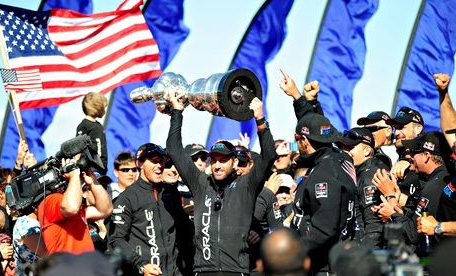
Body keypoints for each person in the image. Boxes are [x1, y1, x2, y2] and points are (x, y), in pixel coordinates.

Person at [166, 92, 276, 275]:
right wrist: (177, 112)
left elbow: (269, 155)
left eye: (223, 160)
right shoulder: (200, 183)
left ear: (234, 163)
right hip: (203, 271)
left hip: (236, 271)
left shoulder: (246, 185)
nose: (217, 165)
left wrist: (260, 119)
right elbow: (174, 150)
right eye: (214, 160)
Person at [279, 71, 356, 274]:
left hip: (323, 265)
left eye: (298, 138)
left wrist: (290, 254)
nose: (297, 142)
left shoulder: (325, 174)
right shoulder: (338, 156)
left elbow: (324, 229)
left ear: (304, 141)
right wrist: (298, 97)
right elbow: (317, 129)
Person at [108, 143, 184, 276]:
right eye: (154, 161)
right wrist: (141, 265)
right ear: (140, 163)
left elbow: (185, 232)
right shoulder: (127, 198)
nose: (159, 165)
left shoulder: (171, 192)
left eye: (161, 161)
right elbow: (117, 239)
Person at [37, 159, 112, 254]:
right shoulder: (49, 200)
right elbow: (71, 208)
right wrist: (74, 176)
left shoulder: (71, 203)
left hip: (85, 266)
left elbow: (105, 210)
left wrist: (93, 182)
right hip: (67, 267)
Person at [339, 127, 388, 247]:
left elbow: (374, 226)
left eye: (350, 147)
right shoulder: (357, 172)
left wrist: (363, 256)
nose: (345, 152)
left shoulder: (369, 176)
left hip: (364, 250)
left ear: (366, 151)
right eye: (343, 147)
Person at [76, 92, 108, 175]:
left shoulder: (97, 126)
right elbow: (77, 149)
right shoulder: (84, 126)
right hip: (92, 170)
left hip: (100, 169)